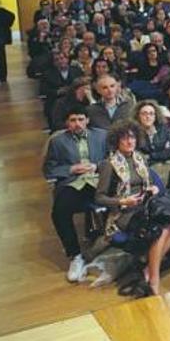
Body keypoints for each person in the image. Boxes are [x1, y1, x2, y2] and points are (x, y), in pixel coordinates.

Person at [95, 121, 170, 296]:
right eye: (125, 138)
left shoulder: (141, 158)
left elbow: (149, 183)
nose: (130, 142)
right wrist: (123, 201)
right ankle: (154, 280)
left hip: (145, 206)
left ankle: (147, 271)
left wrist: (154, 188)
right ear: (117, 141)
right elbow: (99, 197)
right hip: (124, 212)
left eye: (132, 137)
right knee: (161, 229)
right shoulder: (109, 164)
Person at [43, 105, 108, 281]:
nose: (77, 124)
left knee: (116, 202)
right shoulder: (57, 141)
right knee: (59, 212)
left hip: (98, 180)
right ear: (67, 123)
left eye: (80, 119)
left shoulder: (101, 135)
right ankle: (75, 255)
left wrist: (97, 166)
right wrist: (71, 168)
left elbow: (113, 158)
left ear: (87, 120)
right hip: (74, 183)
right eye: (73, 120)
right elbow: (49, 169)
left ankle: (110, 248)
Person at [133, 100, 170, 184]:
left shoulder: (162, 129)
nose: (148, 116)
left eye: (151, 114)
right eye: (144, 113)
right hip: (144, 168)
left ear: (155, 116)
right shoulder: (133, 132)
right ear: (138, 116)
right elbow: (139, 156)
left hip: (164, 165)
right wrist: (162, 153)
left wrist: (151, 156)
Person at [0, 0, 15, 85]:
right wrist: (6, 26)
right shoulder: (0, 11)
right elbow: (12, 16)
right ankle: (3, 76)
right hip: (0, 36)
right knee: (2, 56)